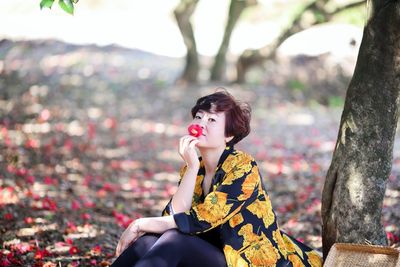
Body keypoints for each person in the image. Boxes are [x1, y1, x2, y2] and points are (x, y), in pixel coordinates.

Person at [111, 90, 323, 267]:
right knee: (147, 241)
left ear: (228, 135)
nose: (202, 123)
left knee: (175, 241)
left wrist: (139, 223)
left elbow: (200, 219)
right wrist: (192, 166)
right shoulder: (195, 167)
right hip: (215, 253)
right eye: (199, 116)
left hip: (245, 261)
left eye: (212, 119)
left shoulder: (243, 167)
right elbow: (174, 216)